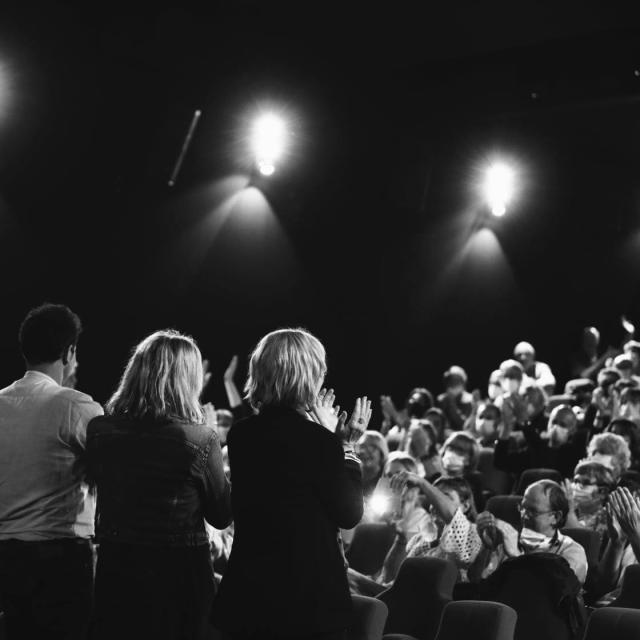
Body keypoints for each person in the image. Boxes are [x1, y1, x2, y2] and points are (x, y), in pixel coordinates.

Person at [211, 328, 369, 640]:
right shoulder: (319, 441)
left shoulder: (241, 435)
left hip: (249, 597)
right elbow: (349, 512)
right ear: (308, 375)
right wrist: (346, 447)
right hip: (306, 603)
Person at [85, 330, 232, 640]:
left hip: (118, 568)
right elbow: (221, 515)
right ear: (188, 380)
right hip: (179, 573)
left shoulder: (99, 430)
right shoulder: (200, 439)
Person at [0, 303, 103, 640]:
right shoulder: (76, 405)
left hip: (7, 557)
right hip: (61, 558)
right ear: (69, 351)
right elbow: (109, 473)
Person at [472, 480, 588, 584]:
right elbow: (477, 582)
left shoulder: (572, 552)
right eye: (522, 508)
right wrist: (486, 549)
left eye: (533, 511)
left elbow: (549, 593)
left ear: (556, 517)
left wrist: (516, 556)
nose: (524, 516)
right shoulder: (509, 539)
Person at [494, 404, 587, 479]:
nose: (556, 427)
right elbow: (500, 462)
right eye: (554, 422)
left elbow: (546, 454)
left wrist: (524, 423)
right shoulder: (532, 449)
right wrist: (506, 428)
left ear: (572, 430)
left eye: (562, 424)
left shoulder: (573, 454)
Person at [437, 366, 474, 431]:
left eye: (456, 382)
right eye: (450, 382)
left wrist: (452, 403)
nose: (452, 385)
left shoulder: (470, 400)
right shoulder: (442, 399)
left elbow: (464, 425)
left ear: (463, 383)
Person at [357, 430, 389, 497]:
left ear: (382, 452)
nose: (364, 451)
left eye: (371, 447)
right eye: (362, 446)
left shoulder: (386, 480)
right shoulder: (351, 474)